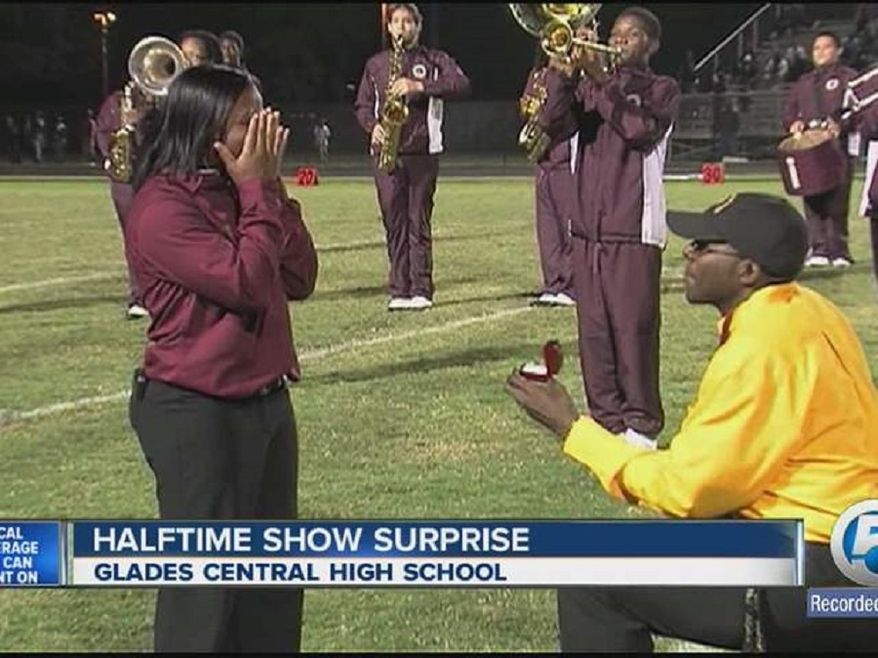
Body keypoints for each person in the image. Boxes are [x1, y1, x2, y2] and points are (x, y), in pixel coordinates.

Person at [506, 193, 878, 652]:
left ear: (748, 271)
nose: (688, 252)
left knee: (589, 572)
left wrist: (572, 428)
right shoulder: (809, 310)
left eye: (705, 245)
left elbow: (690, 491)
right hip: (849, 555)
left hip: (819, 574)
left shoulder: (759, 347)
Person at [125, 65, 318, 653]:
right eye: (246, 121)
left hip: (264, 403)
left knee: (271, 586)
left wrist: (271, 192)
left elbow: (300, 276)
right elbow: (246, 283)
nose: (263, 131)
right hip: (195, 412)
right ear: (206, 128)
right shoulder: (161, 206)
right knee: (204, 592)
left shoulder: (243, 189)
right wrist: (259, 192)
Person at [538, 7, 680, 448]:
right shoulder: (588, 86)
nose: (619, 42)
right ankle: (606, 419)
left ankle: (641, 425)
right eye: (615, 35)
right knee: (595, 332)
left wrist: (601, 79)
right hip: (586, 231)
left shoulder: (661, 89)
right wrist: (562, 76)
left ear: (652, 45)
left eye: (631, 36)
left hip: (632, 230)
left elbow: (638, 131)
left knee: (633, 330)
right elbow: (549, 125)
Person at [94, 30, 222, 319]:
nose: (185, 62)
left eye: (194, 58)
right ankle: (142, 295)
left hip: (173, 176)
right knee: (138, 236)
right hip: (134, 178)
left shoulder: (198, 98)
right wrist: (132, 123)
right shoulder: (135, 97)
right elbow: (108, 143)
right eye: (183, 55)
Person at [354, 3, 470, 311]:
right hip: (386, 152)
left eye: (409, 22)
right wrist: (373, 126)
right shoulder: (377, 64)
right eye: (397, 22)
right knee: (394, 222)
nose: (403, 27)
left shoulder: (434, 59)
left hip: (422, 152)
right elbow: (363, 105)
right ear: (389, 28)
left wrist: (419, 86)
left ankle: (421, 288)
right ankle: (399, 289)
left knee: (418, 221)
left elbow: (460, 83)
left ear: (418, 27)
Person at [782, 31, 858, 268]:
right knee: (812, 197)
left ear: (838, 50)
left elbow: (858, 109)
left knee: (838, 198)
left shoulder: (849, 78)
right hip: (810, 148)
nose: (821, 52)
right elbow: (790, 112)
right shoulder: (804, 83)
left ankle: (839, 250)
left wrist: (842, 125)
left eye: (826, 47)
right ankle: (819, 248)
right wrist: (793, 123)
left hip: (837, 147)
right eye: (816, 49)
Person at [519, 46, 575, 307]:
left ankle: (571, 284)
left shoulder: (569, 75)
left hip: (565, 150)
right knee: (547, 225)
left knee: (568, 223)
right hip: (544, 156)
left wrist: (562, 75)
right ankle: (553, 283)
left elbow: (552, 113)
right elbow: (528, 106)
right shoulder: (538, 73)